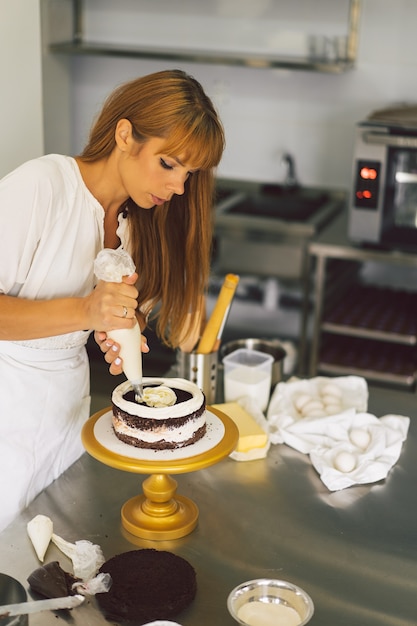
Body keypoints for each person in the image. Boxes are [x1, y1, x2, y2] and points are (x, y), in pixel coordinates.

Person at [0, 69, 225, 532]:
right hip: (7, 405)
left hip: (64, 413)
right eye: (169, 164)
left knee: (45, 545)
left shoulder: (131, 226)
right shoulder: (43, 186)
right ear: (125, 135)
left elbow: (90, 315)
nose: (178, 188)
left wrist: (120, 320)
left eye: (189, 174)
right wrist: (86, 311)